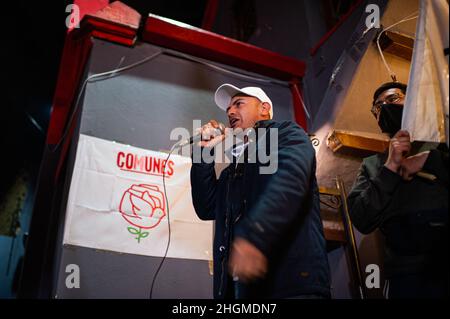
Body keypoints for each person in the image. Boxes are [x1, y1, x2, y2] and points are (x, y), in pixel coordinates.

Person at [190, 84, 330, 299]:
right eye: (228, 109)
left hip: (291, 286)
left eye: (239, 104)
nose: (230, 112)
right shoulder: (233, 171)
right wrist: (202, 155)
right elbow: (206, 207)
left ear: (264, 109)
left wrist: (254, 234)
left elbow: (290, 181)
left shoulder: (287, 134)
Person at [347, 82, 449, 298]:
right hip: (405, 276)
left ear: (411, 102)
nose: (384, 107)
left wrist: (430, 159)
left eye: (393, 99)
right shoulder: (372, 165)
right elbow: (361, 218)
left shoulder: (442, 145)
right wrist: (390, 167)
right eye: (378, 106)